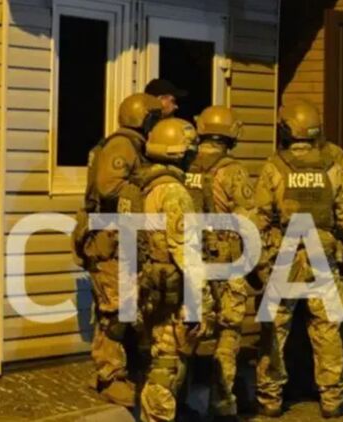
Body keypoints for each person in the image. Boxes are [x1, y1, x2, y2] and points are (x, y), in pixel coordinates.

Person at [253, 100, 343, 418]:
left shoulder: (275, 166)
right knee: (327, 328)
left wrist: (261, 260)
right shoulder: (333, 166)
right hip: (322, 255)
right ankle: (332, 397)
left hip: (284, 256)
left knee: (275, 328)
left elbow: (260, 217)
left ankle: (270, 398)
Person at [71, 93, 164, 407]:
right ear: (144, 119)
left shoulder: (133, 144)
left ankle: (122, 370)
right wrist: (149, 188)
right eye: (155, 119)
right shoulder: (122, 145)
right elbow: (109, 186)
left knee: (128, 307)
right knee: (114, 310)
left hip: (121, 238)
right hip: (108, 240)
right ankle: (109, 376)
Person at [184, 105, 254, 422]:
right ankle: (222, 402)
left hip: (189, 254)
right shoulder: (232, 170)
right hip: (224, 259)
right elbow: (248, 218)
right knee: (228, 330)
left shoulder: (185, 163)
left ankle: (180, 400)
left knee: (190, 330)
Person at [135, 117, 206, 422]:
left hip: (143, 287)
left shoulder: (138, 186)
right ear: (181, 153)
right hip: (169, 291)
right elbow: (187, 251)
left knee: (152, 357)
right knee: (167, 363)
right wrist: (198, 304)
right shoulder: (174, 192)